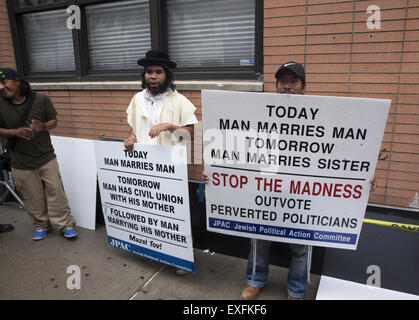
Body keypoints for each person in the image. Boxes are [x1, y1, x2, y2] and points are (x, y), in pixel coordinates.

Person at [202, 62, 376, 300]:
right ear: (276, 86)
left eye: (293, 81)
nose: (287, 86)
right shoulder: (257, 113)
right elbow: (238, 144)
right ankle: (255, 281)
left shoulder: (324, 117)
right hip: (263, 189)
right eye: (282, 81)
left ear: (304, 87)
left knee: (302, 246)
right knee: (259, 240)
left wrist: (360, 177)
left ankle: (296, 290)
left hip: (303, 195)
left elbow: (341, 151)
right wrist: (217, 170)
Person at [124, 50, 197, 275]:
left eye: (158, 71)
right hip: (145, 166)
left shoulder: (179, 100)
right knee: (148, 209)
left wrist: (170, 126)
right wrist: (131, 139)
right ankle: (152, 249)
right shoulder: (137, 99)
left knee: (175, 214)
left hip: (171, 168)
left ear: (167, 75)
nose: (152, 76)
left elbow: (191, 134)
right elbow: (134, 129)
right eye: (149, 72)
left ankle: (180, 258)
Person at [0, 68, 77, 241]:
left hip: (45, 156)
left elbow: (54, 121)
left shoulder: (40, 99)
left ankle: (65, 225)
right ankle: (40, 225)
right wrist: (14, 132)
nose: (1, 87)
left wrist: (41, 127)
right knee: (31, 196)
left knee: (56, 192)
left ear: (17, 81)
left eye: (4, 82)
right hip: (19, 160)